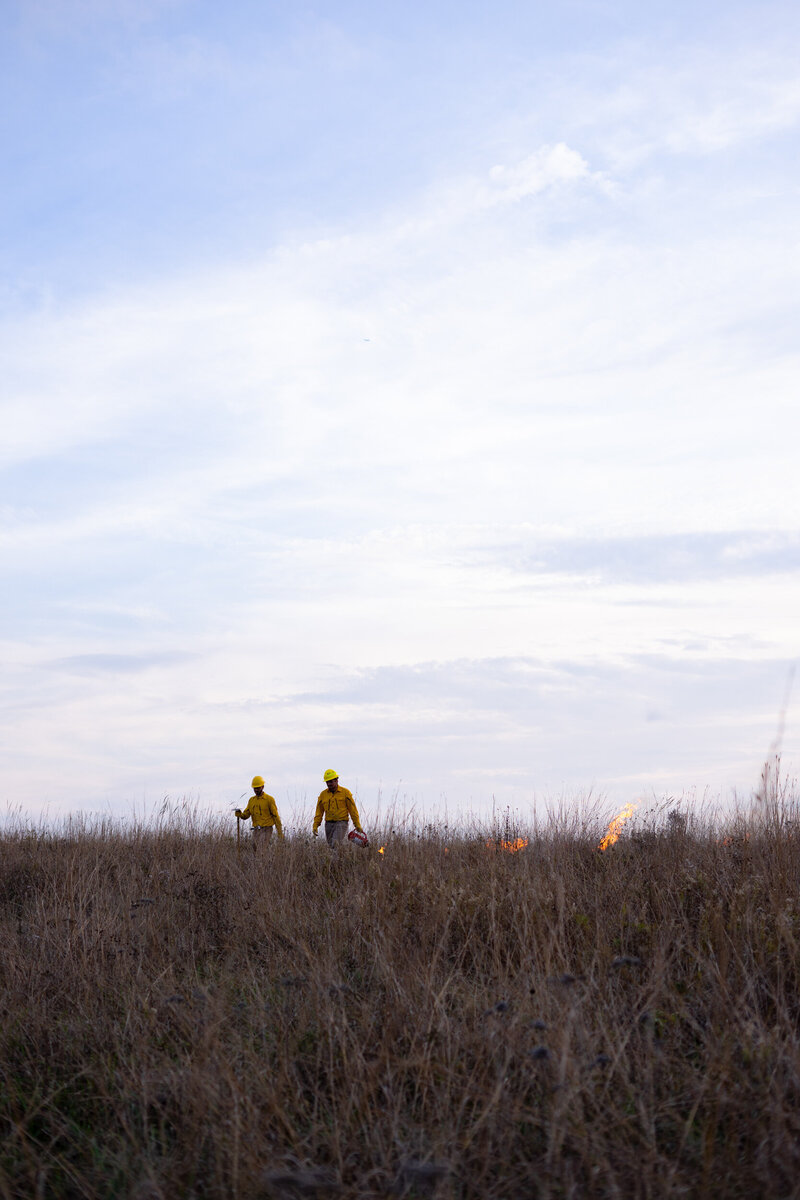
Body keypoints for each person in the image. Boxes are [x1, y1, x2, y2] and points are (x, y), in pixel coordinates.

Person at [313, 769, 363, 847]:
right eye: (327, 782)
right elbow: (319, 812)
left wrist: (357, 824)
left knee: (335, 844)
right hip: (328, 824)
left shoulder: (345, 793)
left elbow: (353, 810)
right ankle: (343, 853)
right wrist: (315, 826)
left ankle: (338, 854)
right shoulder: (323, 795)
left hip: (341, 823)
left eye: (331, 781)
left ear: (336, 780)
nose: (329, 784)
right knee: (331, 846)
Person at [235, 776, 283, 849]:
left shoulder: (269, 799)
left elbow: (276, 816)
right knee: (255, 848)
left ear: (262, 787)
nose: (256, 790)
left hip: (266, 829)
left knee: (261, 848)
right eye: (254, 788)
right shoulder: (251, 800)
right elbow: (246, 815)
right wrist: (240, 814)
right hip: (256, 830)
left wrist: (280, 833)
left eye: (258, 788)